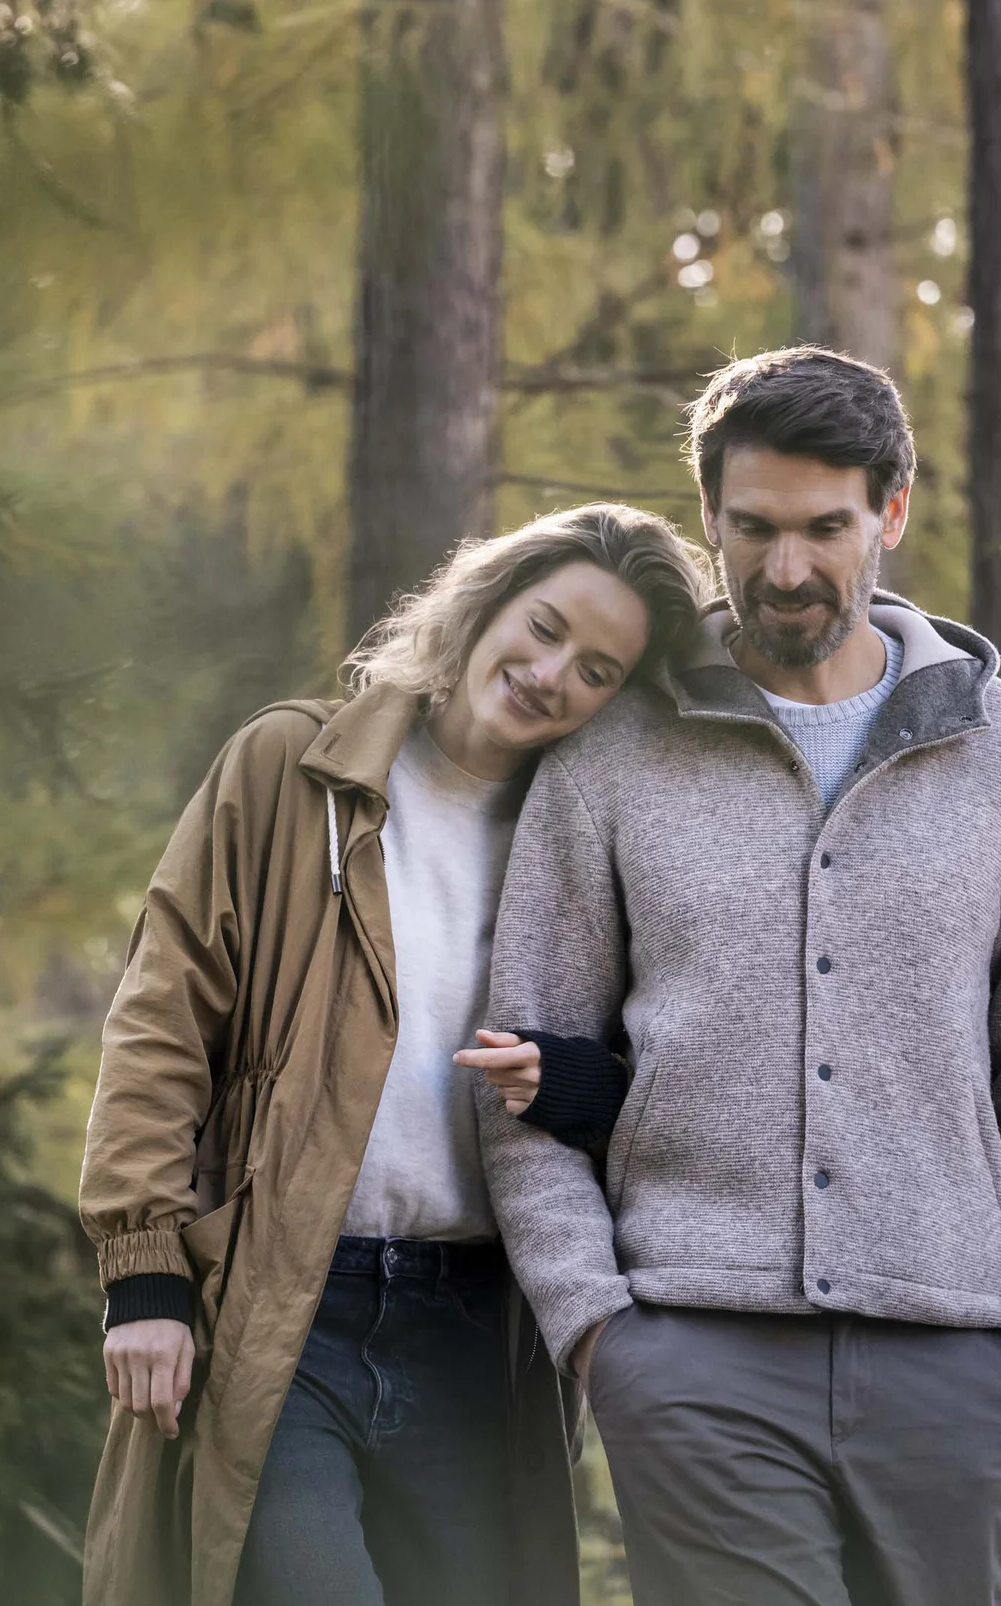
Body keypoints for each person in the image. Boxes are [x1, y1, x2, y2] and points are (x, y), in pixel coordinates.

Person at [480, 347, 1001, 1606]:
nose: (787, 570)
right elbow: (516, 1061)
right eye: (755, 528)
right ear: (710, 519)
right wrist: (601, 1329)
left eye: (825, 528)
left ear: (890, 511)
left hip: (957, 1362)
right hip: (691, 1356)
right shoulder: (612, 753)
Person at [77, 504, 711, 1606]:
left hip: (481, 1332)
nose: (551, 672)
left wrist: (571, 1082)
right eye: (545, 625)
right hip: (284, 1307)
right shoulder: (290, 767)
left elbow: (672, 1085)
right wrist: (143, 1273)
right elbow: (162, 1018)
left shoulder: (597, 849)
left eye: (599, 668)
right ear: (486, 606)